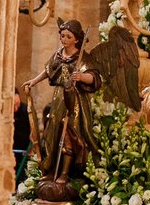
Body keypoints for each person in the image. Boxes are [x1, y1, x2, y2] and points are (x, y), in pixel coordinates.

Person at [22, 19, 100, 184]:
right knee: (54, 132)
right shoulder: (58, 55)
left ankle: (66, 172)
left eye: (68, 36)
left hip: (75, 100)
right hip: (58, 99)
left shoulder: (82, 58)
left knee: (70, 134)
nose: (64, 39)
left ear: (77, 39)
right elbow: (49, 70)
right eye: (62, 35)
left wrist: (81, 77)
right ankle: (51, 170)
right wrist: (33, 81)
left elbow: (94, 77)